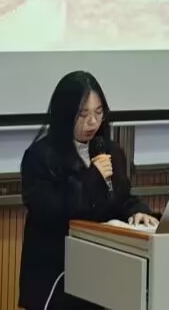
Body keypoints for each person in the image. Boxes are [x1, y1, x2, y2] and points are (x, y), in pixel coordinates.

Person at [19, 71, 159, 310]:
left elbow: (120, 198)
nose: (93, 123)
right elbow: (50, 211)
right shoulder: (41, 156)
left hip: (103, 276)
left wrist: (138, 211)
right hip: (57, 276)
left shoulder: (110, 151)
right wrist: (92, 176)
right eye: (83, 115)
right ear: (64, 115)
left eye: (99, 112)